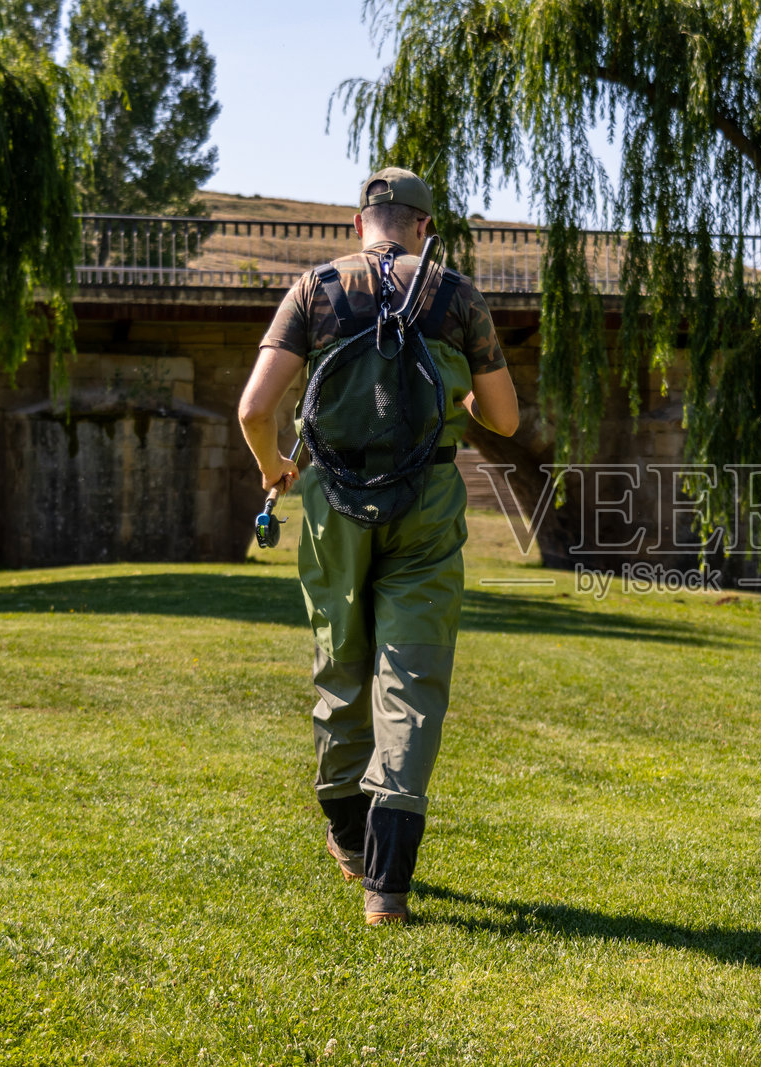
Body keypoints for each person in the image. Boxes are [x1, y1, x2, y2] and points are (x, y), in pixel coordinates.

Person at [237, 167, 519, 925]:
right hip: (426, 502)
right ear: (424, 226)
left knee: (341, 658)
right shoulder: (455, 296)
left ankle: (346, 830)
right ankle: (386, 887)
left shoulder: (315, 289)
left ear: (359, 222)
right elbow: (505, 419)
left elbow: (255, 406)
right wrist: (454, 384)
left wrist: (274, 469)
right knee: (411, 678)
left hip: (334, 499)